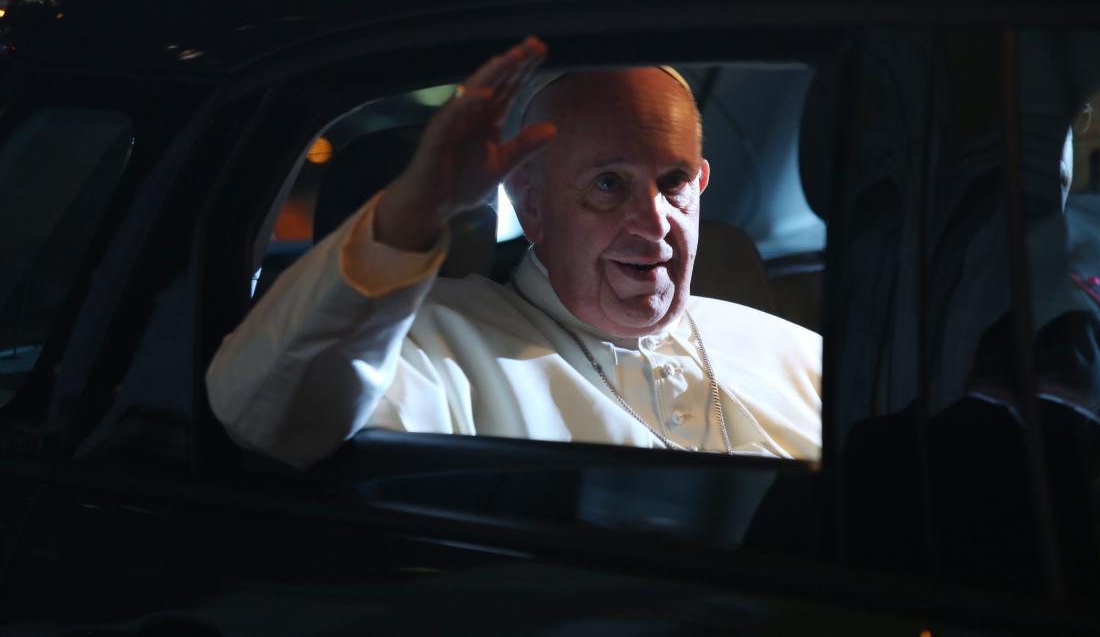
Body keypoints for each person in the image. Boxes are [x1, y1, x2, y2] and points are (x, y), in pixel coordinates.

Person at [206, 37, 822, 468]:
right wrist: (410, 213)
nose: (653, 221)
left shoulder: (796, 353)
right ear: (530, 203)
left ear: (702, 184)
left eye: (673, 182)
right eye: (609, 184)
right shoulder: (424, 345)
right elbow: (267, 418)